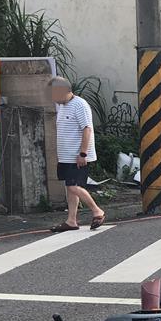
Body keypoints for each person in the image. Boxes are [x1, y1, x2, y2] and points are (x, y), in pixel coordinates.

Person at [48, 76, 105, 231]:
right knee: (70, 188)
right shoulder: (63, 106)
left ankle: (97, 211)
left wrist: (83, 153)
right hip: (66, 156)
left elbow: (87, 129)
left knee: (73, 186)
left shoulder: (79, 104)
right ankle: (71, 221)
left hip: (77, 155)